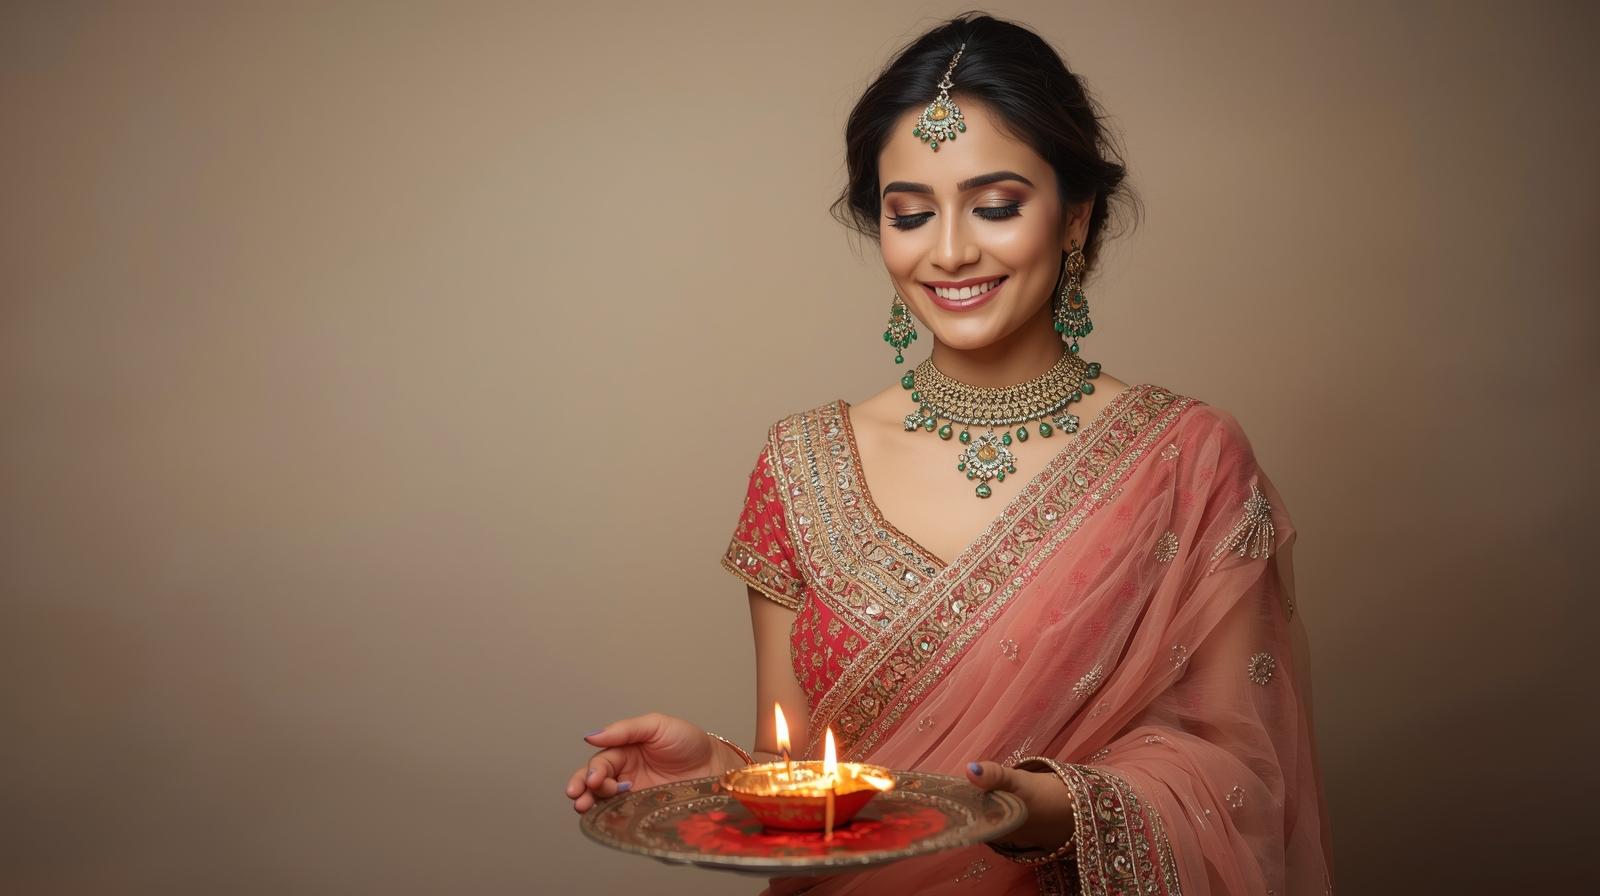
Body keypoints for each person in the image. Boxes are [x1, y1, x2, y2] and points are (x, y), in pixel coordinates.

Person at [566, 12, 1333, 894]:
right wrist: (713, 773)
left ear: (1075, 216)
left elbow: (1238, 776)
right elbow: (815, 779)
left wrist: (1050, 807)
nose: (951, 250)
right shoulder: (801, 463)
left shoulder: (1186, 458)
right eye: (911, 213)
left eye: (996, 205)